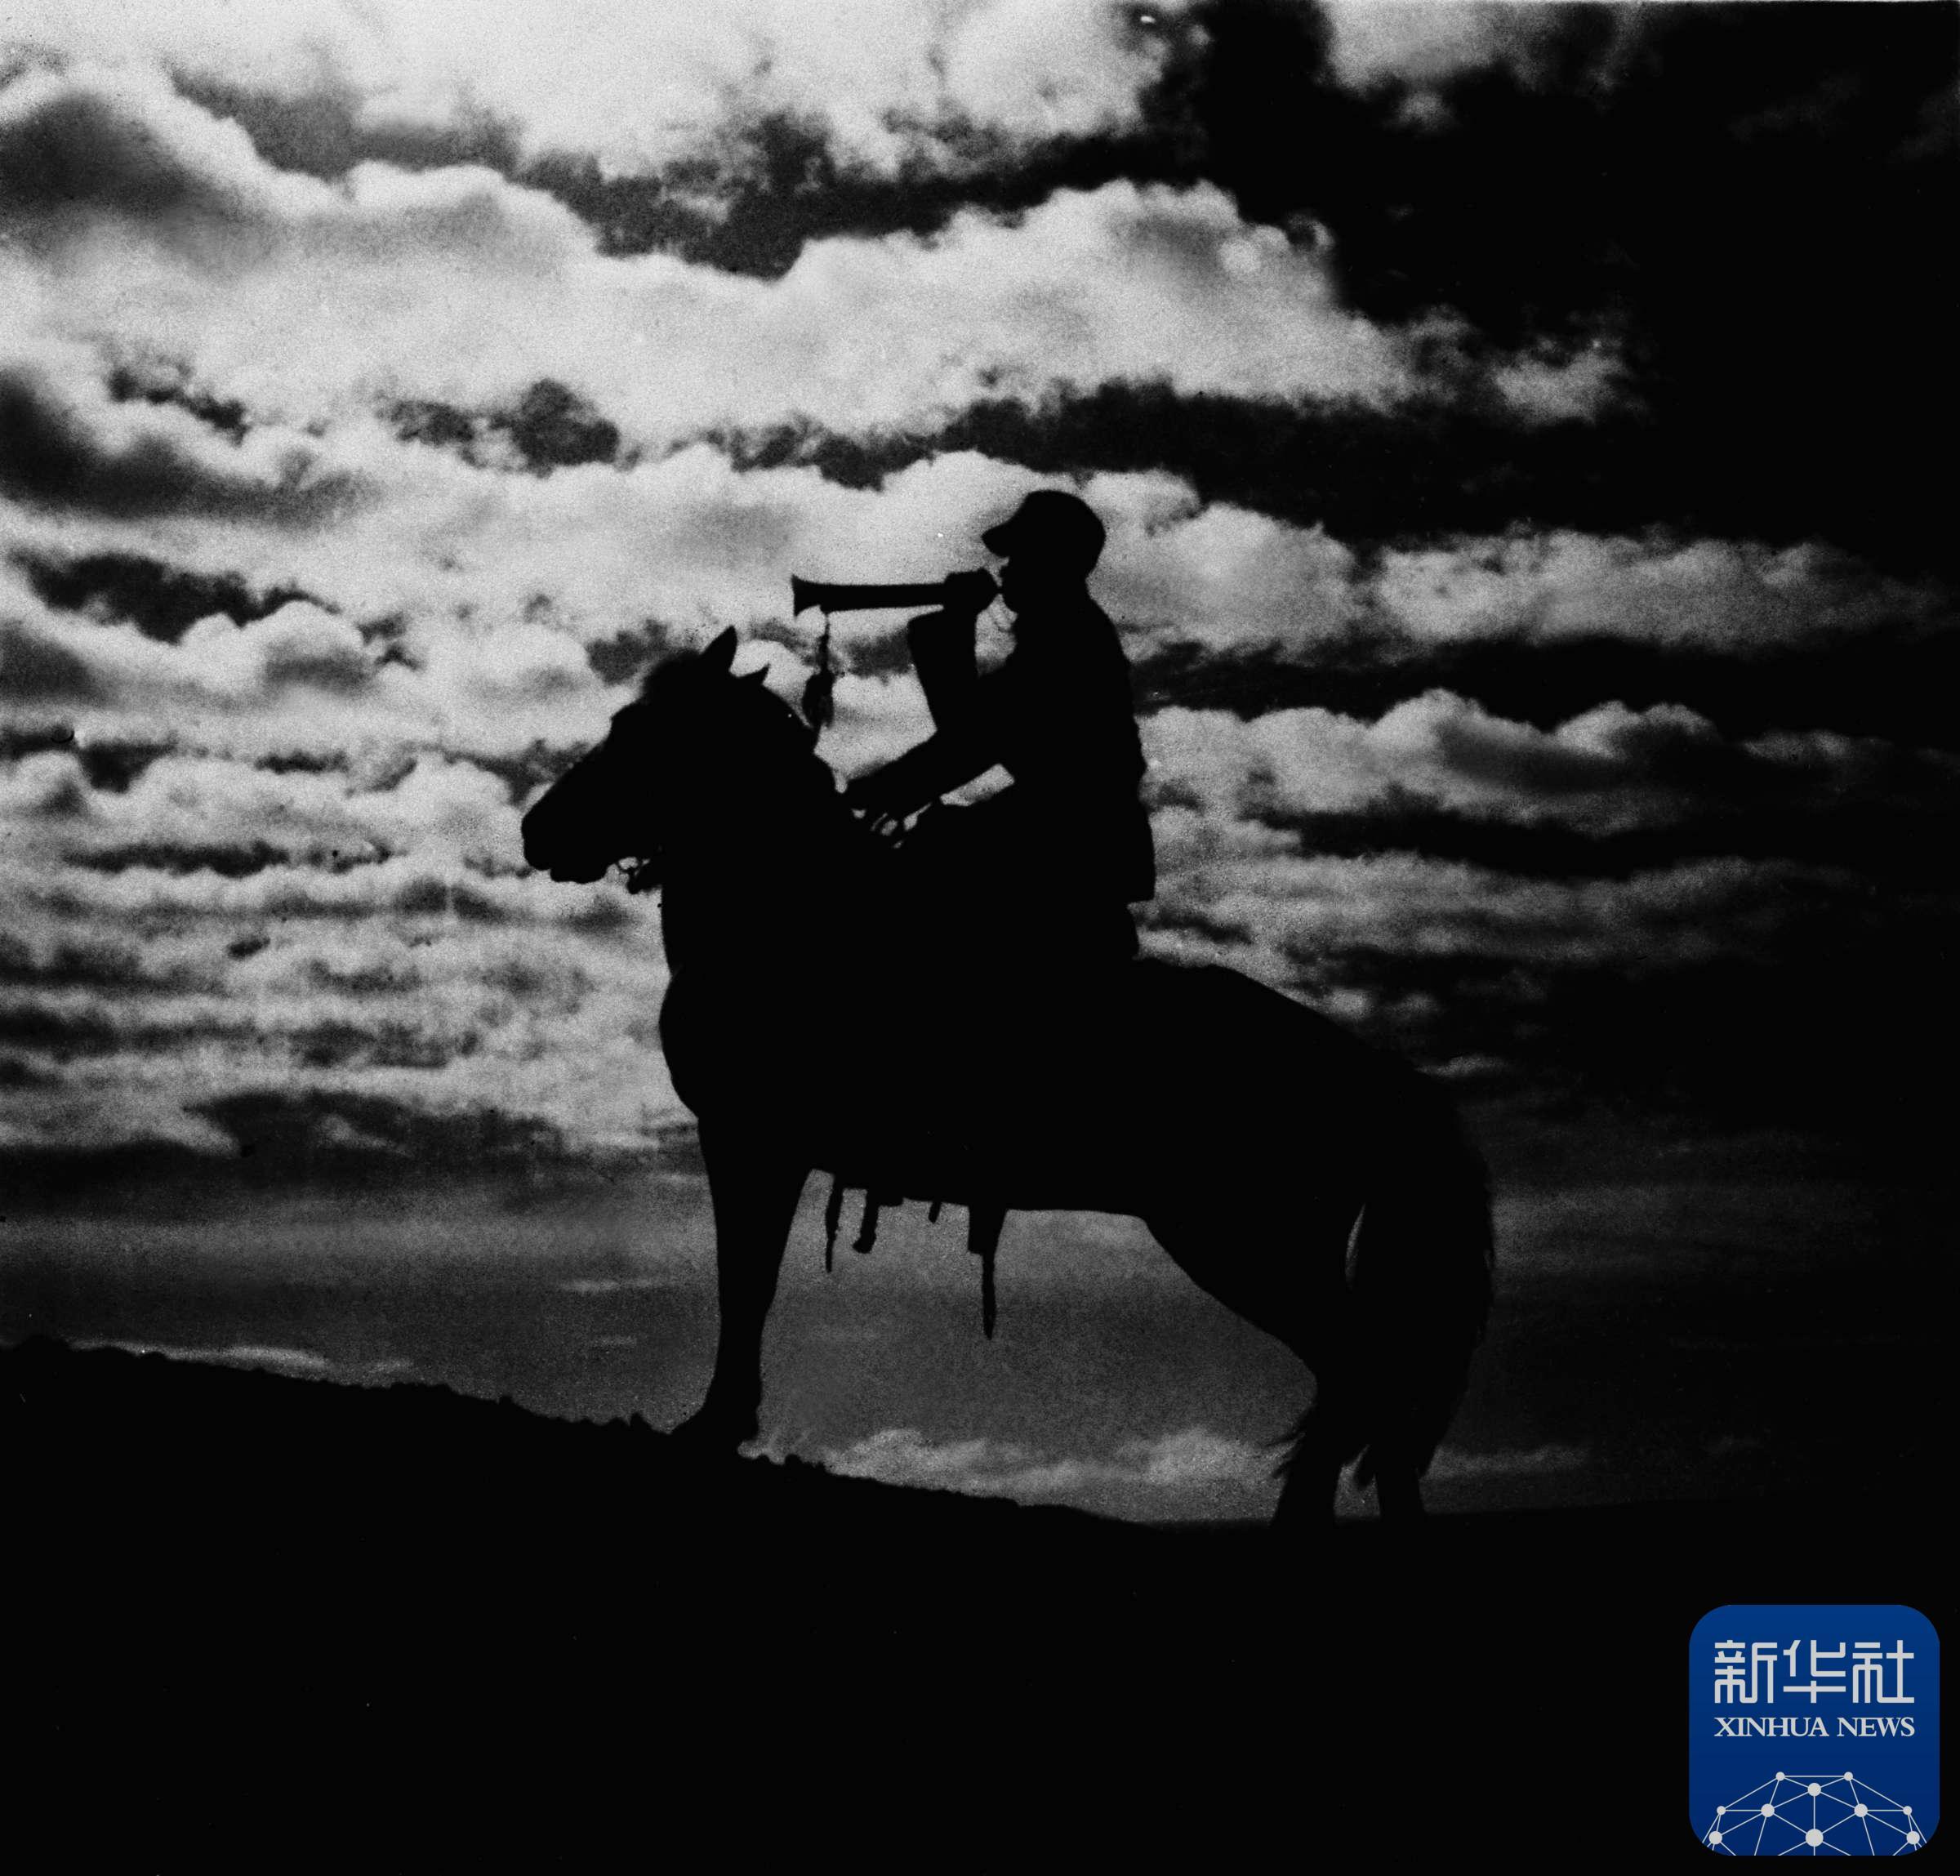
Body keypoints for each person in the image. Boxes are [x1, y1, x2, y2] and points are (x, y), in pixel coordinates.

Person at [841, 491, 1154, 983]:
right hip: (1075, 836)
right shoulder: (1063, 631)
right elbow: (976, 732)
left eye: (1020, 555)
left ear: (1052, 560)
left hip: (1065, 839)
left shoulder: (1067, 637)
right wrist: (888, 791)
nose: (1005, 570)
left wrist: (879, 793)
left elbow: (972, 734)